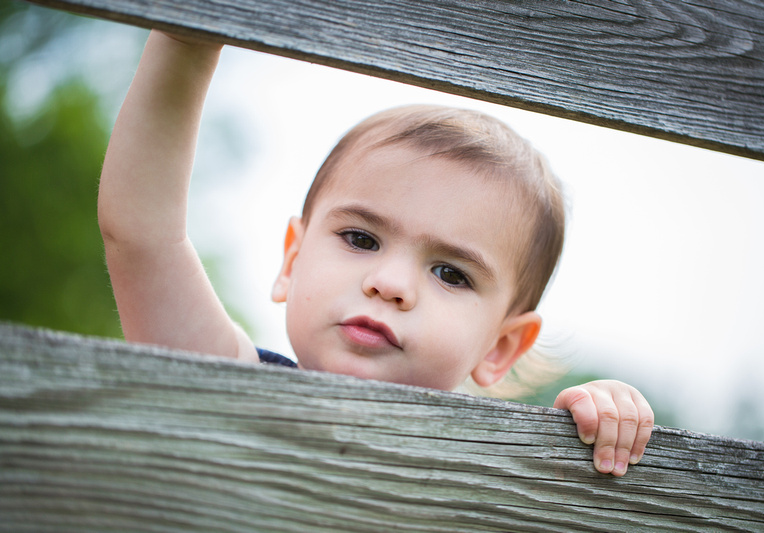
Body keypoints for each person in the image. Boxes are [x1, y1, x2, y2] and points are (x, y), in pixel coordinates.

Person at [99, 30, 654, 477]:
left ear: (500, 346)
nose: (390, 284)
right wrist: (188, 41)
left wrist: (592, 429)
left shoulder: (492, 464)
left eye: (450, 273)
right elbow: (143, 236)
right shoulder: (231, 382)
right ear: (291, 264)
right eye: (361, 239)